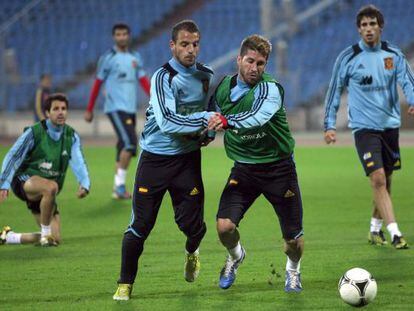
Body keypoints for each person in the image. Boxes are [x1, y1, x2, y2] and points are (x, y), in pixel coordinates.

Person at [113, 20, 217, 301]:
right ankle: (125, 284)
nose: (191, 50)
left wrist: (209, 131)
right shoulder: (163, 77)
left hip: (187, 160)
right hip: (155, 161)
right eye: (184, 44)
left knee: (194, 227)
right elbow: (169, 122)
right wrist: (205, 120)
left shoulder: (207, 75)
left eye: (195, 44)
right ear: (172, 45)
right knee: (140, 225)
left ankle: (192, 252)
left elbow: (211, 110)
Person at [208, 35, 304, 292]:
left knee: (293, 241)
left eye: (261, 63)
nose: (255, 68)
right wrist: (205, 134)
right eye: (250, 61)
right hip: (244, 168)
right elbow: (211, 114)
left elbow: (257, 116)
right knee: (224, 227)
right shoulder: (222, 89)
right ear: (239, 60)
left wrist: (227, 123)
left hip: (279, 168)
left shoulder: (271, 89)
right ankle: (236, 256)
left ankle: (293, 271)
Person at [323, 4, 414, 249]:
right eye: (364, 25)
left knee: (386, 178)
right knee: (378, 178)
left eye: (372, 23)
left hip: (390, 126)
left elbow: (407, 80)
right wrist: (329, 125)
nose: (369, 28)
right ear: (359, 29)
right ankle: (394, 231)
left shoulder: (393, 55)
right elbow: (334, 91)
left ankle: (374, 229)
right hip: (364, 128)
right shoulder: (348, 57)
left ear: (380, 27)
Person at [0, 93, 90, 246]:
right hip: (25, 180)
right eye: (56, 109)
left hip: (47, 193)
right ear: (47, 113)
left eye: (63, 108)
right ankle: (45, 235)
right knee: (51, 187)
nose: (60, 112)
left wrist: (84, 183)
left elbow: (78, 161)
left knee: (55, 238)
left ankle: (9, 237)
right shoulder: (34, 132)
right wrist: (4, 183)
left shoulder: (71, 136)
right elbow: (14, 156)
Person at [84, 23, 150, 199]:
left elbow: (143, 81)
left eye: (124, 34)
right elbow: (97, 83)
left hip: (130, 108)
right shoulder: (108, 58)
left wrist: (155, 98)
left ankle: (117, 188)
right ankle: (120, 186)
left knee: (123, 145)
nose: (121, 37)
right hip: (114, 108)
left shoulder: (135, 57)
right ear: (114, 37)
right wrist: (89, 109)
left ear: (128, 36)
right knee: (130, 143)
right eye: (118, 34)